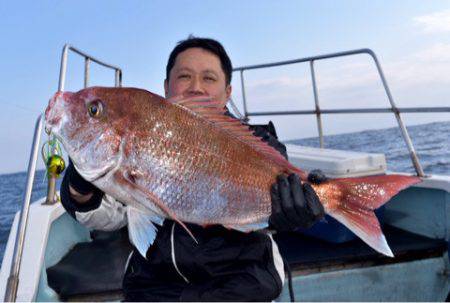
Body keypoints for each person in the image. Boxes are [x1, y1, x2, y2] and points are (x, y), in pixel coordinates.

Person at [60, 37, 325, 301]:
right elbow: (112, 216)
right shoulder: (138, 138)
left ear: (228, 92)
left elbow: (271, 210)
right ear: (166, 87)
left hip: (241, 289)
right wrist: (80, 186)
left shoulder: (259, 144)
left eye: (209, 78)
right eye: (184, 76)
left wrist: (293, 212)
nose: (196, 87)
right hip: (152, 290)